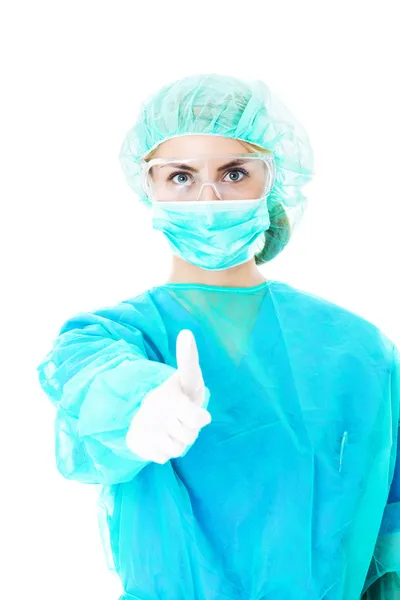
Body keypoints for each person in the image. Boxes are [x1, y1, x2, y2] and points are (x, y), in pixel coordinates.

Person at [37, 73, 400, 600]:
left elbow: (390, 533)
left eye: (233, 172)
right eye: (180, 176)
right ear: (149, 187)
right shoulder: (114, 336)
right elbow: (92, 382)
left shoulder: (360, 352)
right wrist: (139, 405)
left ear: (272, 180)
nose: (208, 198)